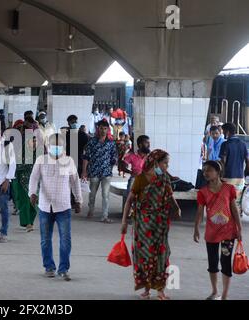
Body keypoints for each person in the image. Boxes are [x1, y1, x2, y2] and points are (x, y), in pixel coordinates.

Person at [121, 149, 181, 300]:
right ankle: (147, 289)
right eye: (165, 163)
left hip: (160, 224)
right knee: (145, 256)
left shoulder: (164, 178)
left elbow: (170, 196)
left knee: (162, 254)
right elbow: (129, 201)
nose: (167, 166)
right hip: (143, 225)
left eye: (168, 163)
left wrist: (177, 207)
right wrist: (124, 222)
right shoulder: (140, 179)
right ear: (155, 163)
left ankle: (160, 290)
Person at [29, 133, 82, 281]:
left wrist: (78, 200)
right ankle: (49, 267)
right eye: (54, 146)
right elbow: (34, 177)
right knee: (45, 239)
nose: (56, 149)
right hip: (45, 206)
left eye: (59, 146)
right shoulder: (41, 160)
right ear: (48, 146)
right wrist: (32, 193)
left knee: (66, 239)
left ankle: (63, 268)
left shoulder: (69, 161)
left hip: (63, 206)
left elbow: (75, 181)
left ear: (63, 147)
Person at [194, 160, 243, 300]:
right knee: (213, 262)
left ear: (218, 171)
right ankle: (215, 291)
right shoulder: (202, 192)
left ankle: (225, 295)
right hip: (211, 233)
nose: (205, 173)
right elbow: (199, 212)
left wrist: (239, 228)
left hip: (229, 232)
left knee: (226, 262)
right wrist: (196, 228)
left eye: (208, 170)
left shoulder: (229, 189)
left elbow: (234, 209)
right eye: (204, 171)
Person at [82, 120, 116, 222]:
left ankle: (105, 215)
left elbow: (114, 157)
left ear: (108, 130)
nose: (103, 130)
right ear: (98, 129)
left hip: (106, 173)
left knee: (105, 195)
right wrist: (84, 171)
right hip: (94, 172)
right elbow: (86, 157)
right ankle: (91, 210)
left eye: (105, 128)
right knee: (92, 194)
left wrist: (112, 163)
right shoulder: (92, 142)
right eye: (101, 128)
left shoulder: (111, 143)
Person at [12, 113, 41, 232]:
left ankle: (29, 222)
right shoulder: (16, 145)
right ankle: (27, 222)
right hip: (19, 176)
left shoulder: (38, 149)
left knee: (33, 201)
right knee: (22, 200)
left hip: (33, 178)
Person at [219, 123, 249, 213]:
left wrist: (220, 175)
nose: (223, 134)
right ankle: (236, 223)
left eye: (223, 131)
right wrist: (245, 174)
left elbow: (223, 161)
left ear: (227, 132)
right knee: (236, 202)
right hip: (240, 178)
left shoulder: (225, 144)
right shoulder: (243, 144)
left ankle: (227, 222)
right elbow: (247, 160)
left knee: (226, 201)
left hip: (227, 177)